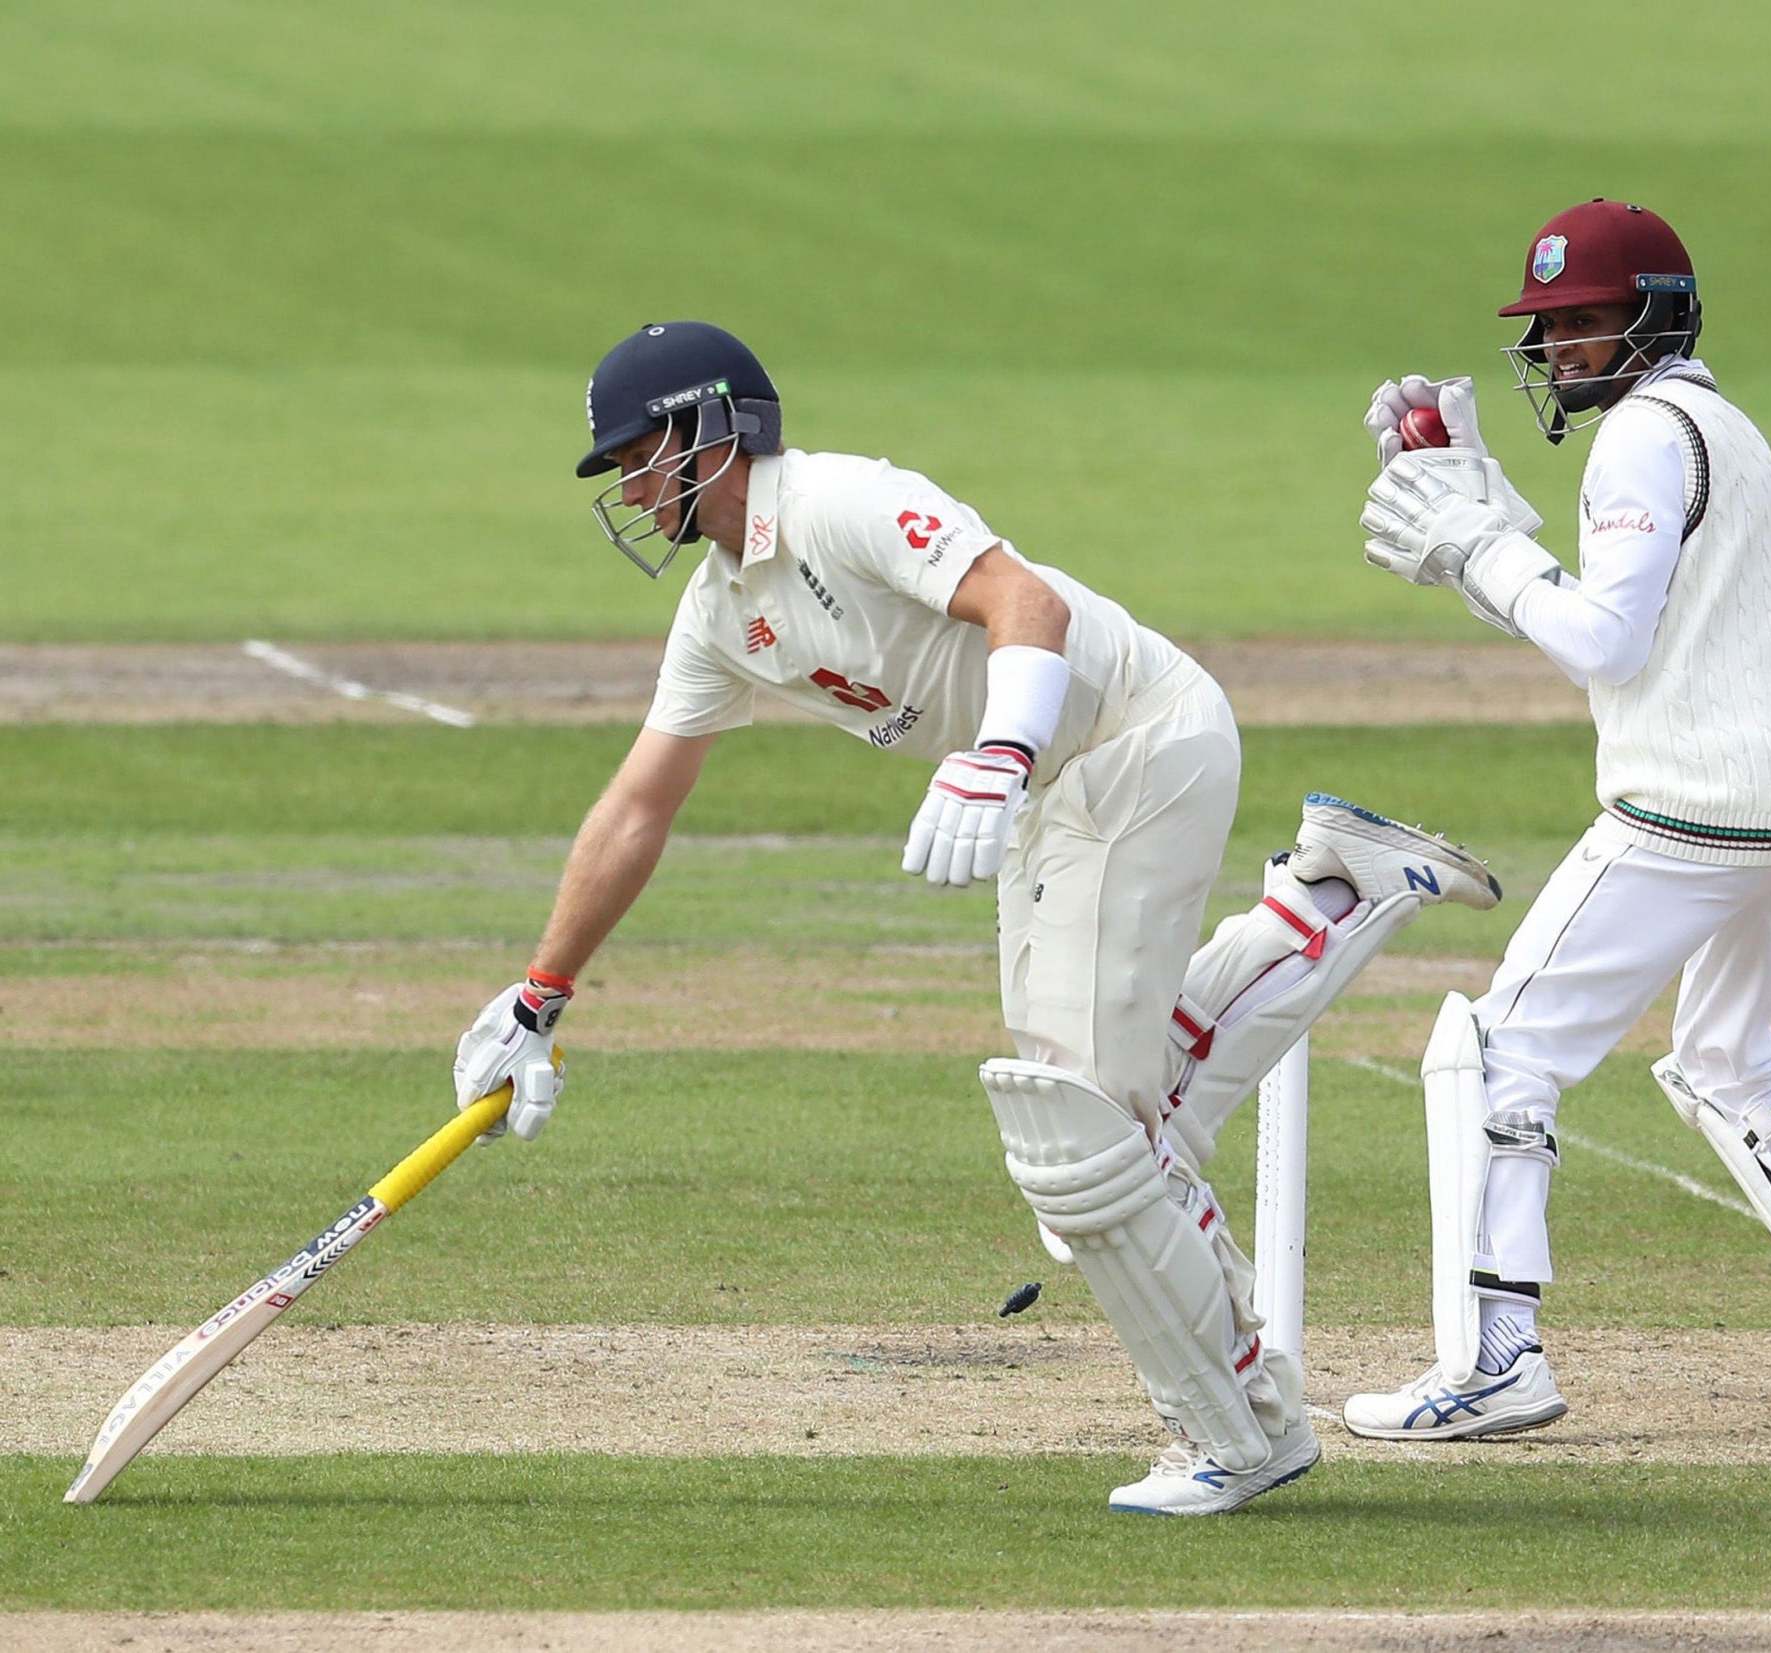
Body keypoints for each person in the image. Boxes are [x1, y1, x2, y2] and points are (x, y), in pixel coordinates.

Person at [450, 321, 1503, 1513]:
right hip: (1050, 785)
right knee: (1089, 1127)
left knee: (1085, 1139)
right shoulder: (718, 613)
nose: (631, 488)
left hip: (1135, 741)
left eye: (639, 455)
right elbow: (638, 806)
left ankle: (1246, 1429)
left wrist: (995, 754)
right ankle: (1330, 894)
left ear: (712, 426)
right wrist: (539, 996)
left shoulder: (841, 502)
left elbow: (1025, 602)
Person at [1346, 200, 1771, 1435]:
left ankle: (1493, 1359)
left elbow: (1601, 644)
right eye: (1547, 324)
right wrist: (1486, 530)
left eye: (1585, 319)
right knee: (1727, 1053)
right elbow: (1621, 614)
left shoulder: (1634, 435)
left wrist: (1476, 545)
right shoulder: (1718, 425)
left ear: (1657, 317)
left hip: (1692, 802)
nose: (1558, 345)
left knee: (1496, 1056)